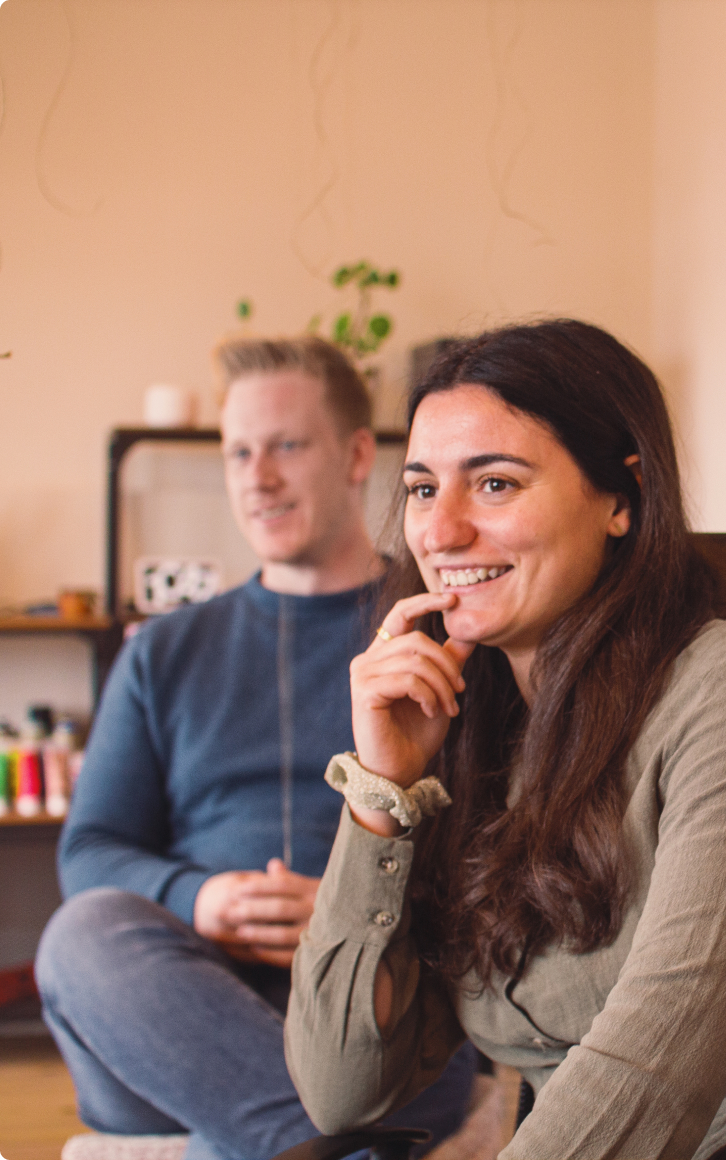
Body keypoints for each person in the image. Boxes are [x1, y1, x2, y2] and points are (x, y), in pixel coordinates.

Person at [284, 320, 726, 1160]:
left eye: (497, 484)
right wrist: (382, 792)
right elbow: (341, 1091)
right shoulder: (464, 729)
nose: (438, 533)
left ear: (623, 497)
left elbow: (658, 1059)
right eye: (424, 488)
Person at [36, 336, 476, 1160]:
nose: (256, 476)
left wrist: (358, 908)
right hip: (173, 1016)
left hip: (373, 1007)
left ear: (353, 455)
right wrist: (198, 899)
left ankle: (288, 1140)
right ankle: (337, 1147)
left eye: (285, 446)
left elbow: (496, 858)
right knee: (79, 935)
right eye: (239, 451)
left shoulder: (439, 634)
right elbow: (89, 852)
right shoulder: (161, 652)